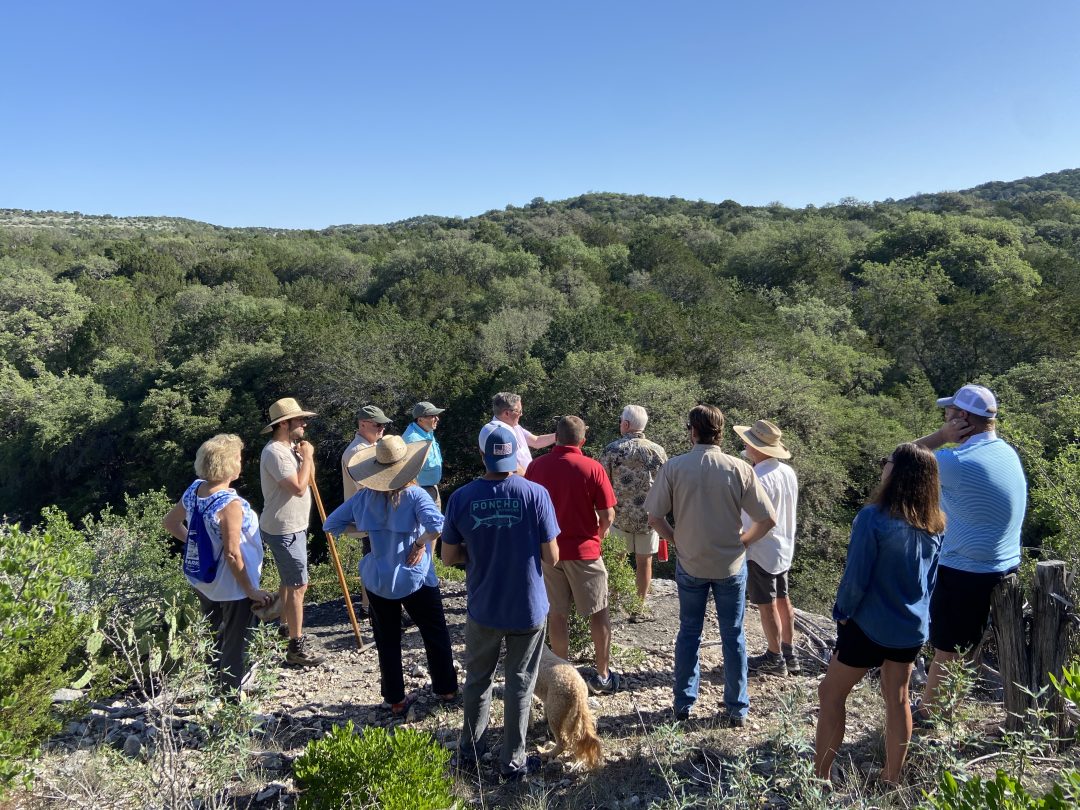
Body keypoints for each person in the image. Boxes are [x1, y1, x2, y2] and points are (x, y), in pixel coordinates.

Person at [814, 443, 944, 786]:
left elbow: (855, 577)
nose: (883, 466)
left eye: (887, 461)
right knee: (898, 698)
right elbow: (930, 583)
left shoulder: (872, 518)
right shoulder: (935, 524)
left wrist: (843, 613)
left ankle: (820, 777)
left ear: (896, 472)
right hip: (911, 628)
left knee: (830, 694)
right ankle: (891, 778)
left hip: (868, 625)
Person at [441, 425, 561, 781]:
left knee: (478, 680)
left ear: (482, 455)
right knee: (520, 683)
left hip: (484, 606)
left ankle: (470, 754)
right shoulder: (536, 494)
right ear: (514, 457)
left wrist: (479, 551)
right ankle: (513, 761)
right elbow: (552, 556)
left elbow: (448, 557)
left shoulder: (460, 498)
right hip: (527, 606)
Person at [645, 405, 776, 726]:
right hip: (730, 565)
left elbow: (654, 518)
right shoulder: (739, 468)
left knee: (689, 632)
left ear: (693, 431)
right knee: (733, 635)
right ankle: (737, 707)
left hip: (690, 562)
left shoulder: (674, 467)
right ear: (720, 432)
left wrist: (677, 540)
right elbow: (767, 519)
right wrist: (744, 541)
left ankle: (683, 703)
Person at [910, 384, 1027, 724]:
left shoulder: (955, 461)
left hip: (966, 569)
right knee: (965, 644)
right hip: (1004, 564)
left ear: (962, 418)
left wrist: (940, 437)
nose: (945, 416)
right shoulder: (1006, 452)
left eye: (948, 413)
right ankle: (949, 705)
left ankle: (931, 715)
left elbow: (899, 461)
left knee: (948, 648)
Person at [323, 436, 457, 716]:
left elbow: (331, 524)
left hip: (378, 578)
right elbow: (438, 525)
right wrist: (419, 543)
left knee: (387, 639)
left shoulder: (364, 497)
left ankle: (394, 699)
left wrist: (366, 528)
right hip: (415, 575)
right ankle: (445, 689)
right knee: (434, 632)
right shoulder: (415, 495)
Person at [163, 434, 274, 695]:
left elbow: (170, 522)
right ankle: (230, 699)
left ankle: (213, 690)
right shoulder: (229, 504)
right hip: (232, 586)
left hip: (203, 578)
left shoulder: (195, 490)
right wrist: (251, 590)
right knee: (236, 642)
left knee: (213, 636)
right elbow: (233, 554)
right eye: (238, 458)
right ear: (229, 464)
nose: (241, 462)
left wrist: (197, 545)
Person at [525, 416, 620, 695]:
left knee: (556, 615)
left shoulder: (536, 466)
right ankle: (602, 675)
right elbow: (607, 514)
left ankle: (562, 676)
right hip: (584, 551)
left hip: (547, 552)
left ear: (556, 437)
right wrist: (599, 535)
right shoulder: (592, 467)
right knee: (598, 612)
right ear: (582, 440)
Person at [733, 419, 801, 676]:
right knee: (783, 598)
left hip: (761, 549)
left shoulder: (758, 478)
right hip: (783, 547)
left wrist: (742, 542)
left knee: (766, 603)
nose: (745, 445)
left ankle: (775, 657)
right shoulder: (787, 472)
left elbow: (750, 520)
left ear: (757, 447)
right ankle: (789, 652)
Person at [259, 397, 322, 667]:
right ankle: (296, 647)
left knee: (289, 581)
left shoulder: (290, 449)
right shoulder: (275, 452)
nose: (304, 424)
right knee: (298, 585)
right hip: (283, 528)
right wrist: (307, 457)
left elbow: (310, 478)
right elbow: (298, 487)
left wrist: (306, 457)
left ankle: (285, 628)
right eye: (300, 420)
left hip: (293, 525)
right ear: (284, 424)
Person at [599, 405, 668, 621]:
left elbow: (601, 482)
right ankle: (638, 607)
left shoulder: (612, 450)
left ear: (627, 424)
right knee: (644, 562)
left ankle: (613, 602)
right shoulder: (657, 451)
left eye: (621, 420)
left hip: (618, 515)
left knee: (617, 559)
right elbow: (665, 483)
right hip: (649, 517)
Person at [340, 404, 392, 618]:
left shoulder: (369, 447)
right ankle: (371, 607)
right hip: (370, 516)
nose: (382, 429)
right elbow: (369, 486)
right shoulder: (357, 452)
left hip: (374, 515)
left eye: (384, 425)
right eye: (378, 425)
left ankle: (369, 606)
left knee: (374, 559)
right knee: (375, 560)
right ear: (363, 424)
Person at [478, 392, 555, 474]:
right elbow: (510, 466)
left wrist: (559, 435)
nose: (521, 414)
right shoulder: (497, 434)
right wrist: (529, 480)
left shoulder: (514, 426)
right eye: (519, 411)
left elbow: (536, 441)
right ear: (507, 413)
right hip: (519, 480)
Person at [402, 401, 446, 509]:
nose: (437, 419)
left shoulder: (426, 432)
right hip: (420, 492)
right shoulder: (412, 440)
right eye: (432, 416)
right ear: (420, 419)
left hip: (431, 489)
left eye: (437, 415)